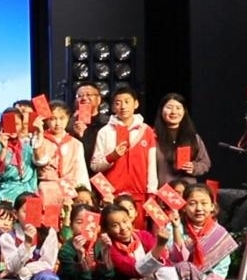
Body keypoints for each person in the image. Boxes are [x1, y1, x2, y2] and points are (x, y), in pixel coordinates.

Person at [90, 88, 158, 217]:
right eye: (118, 103)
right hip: (112, 196)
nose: (123, 107)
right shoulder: (105, 132)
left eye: (127, 101)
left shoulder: (146, 131)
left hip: (139, 195)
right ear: (112, 107)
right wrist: (112, 156)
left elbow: (152, 166)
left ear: (136, 104)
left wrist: (152, 194)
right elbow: (95, 165)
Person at [154, 92, 212, 186]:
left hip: (187, 190)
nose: (174, 112)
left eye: (178, 108)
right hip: (162, 190)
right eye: (169, 107)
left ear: (184, 111)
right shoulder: (152, 136)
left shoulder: (193, 137)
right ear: (161, 110)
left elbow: (205, 163)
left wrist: (194, 167)